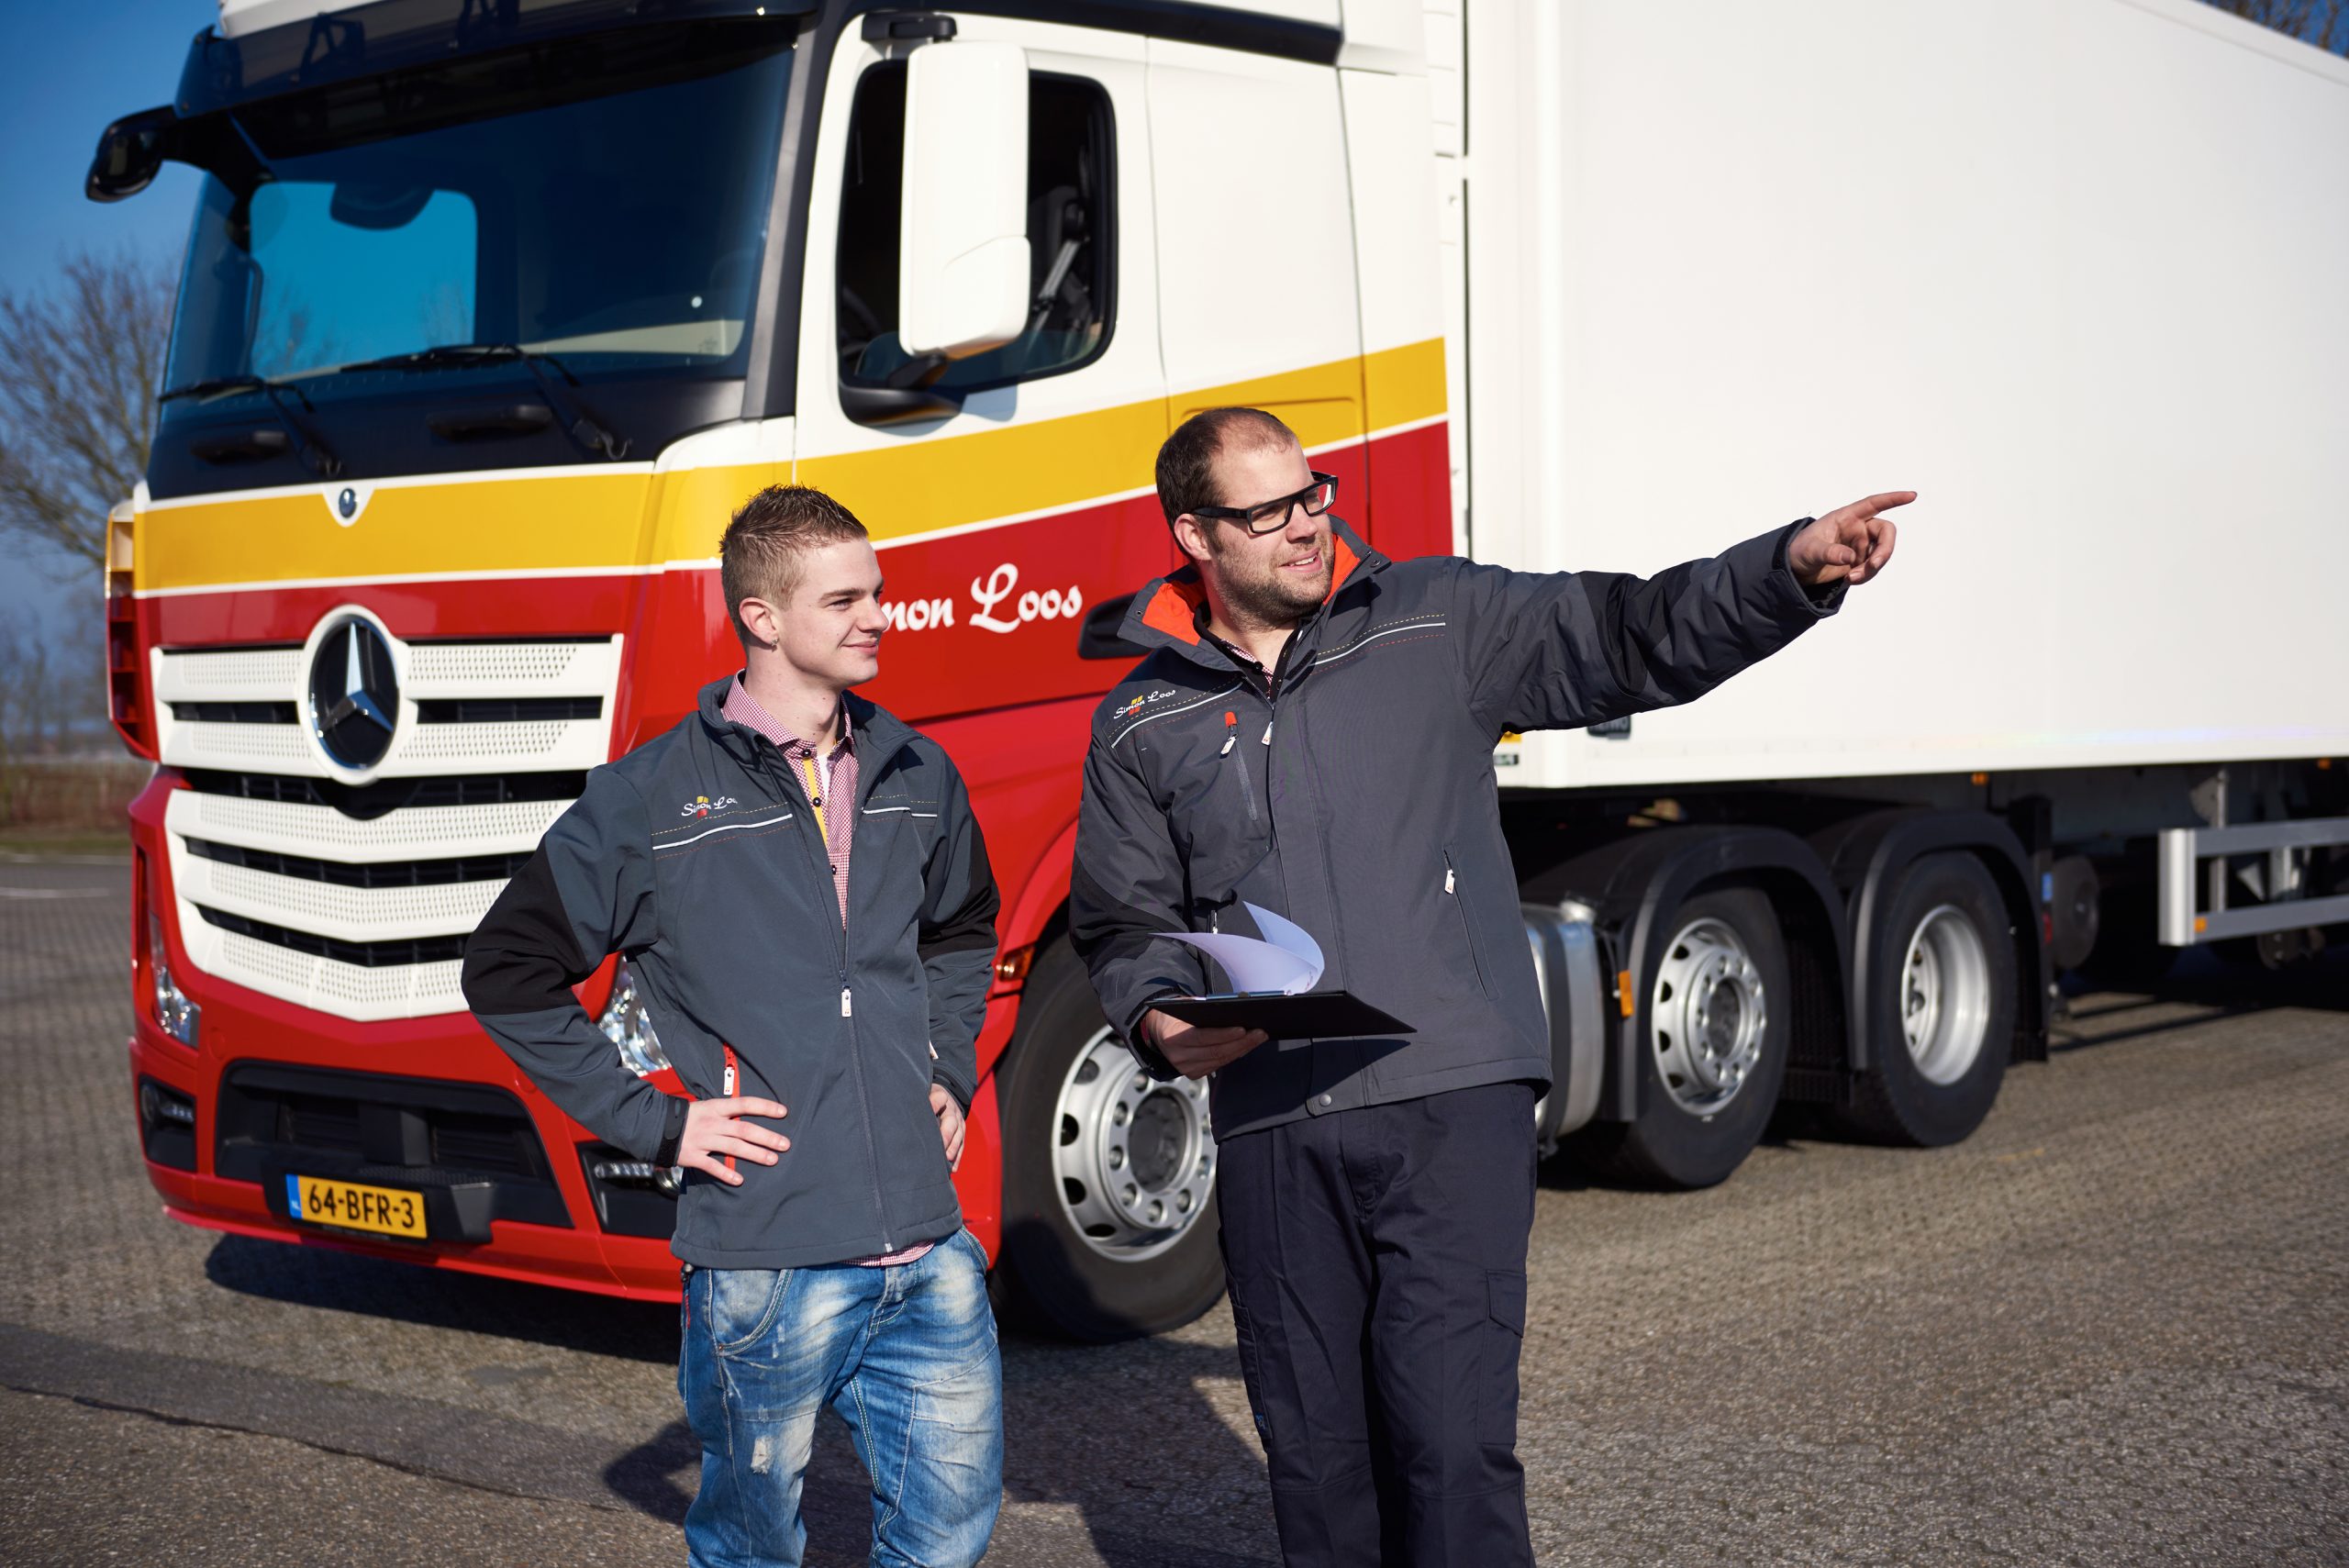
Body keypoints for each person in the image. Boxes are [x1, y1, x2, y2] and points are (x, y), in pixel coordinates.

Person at [1071, 407, 1906, 1566]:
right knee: (1315, 1460)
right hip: (1272, 1123)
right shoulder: (1139, 717)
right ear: (1195, 535)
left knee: (1450, 1447)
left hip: (1449, 1096)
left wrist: (1787, 571)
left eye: (1312, 495)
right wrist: (1159, 1015)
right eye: (1268, 513)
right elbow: (1124, 919)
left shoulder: (1438, 618)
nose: (1307, 526)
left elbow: (1633, 632)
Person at [462, 484, 1004, 1568]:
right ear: (760, 615)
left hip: (930, 1251)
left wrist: (948, 1065)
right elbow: (507, 970)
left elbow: (961, 929)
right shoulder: (650, 796)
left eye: (877, 592)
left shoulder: (916, 770)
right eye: (844, 599)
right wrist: (657, 1123)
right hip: (765, 1263)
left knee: (947, 1537)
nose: (878, 616)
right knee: (752, 1548)